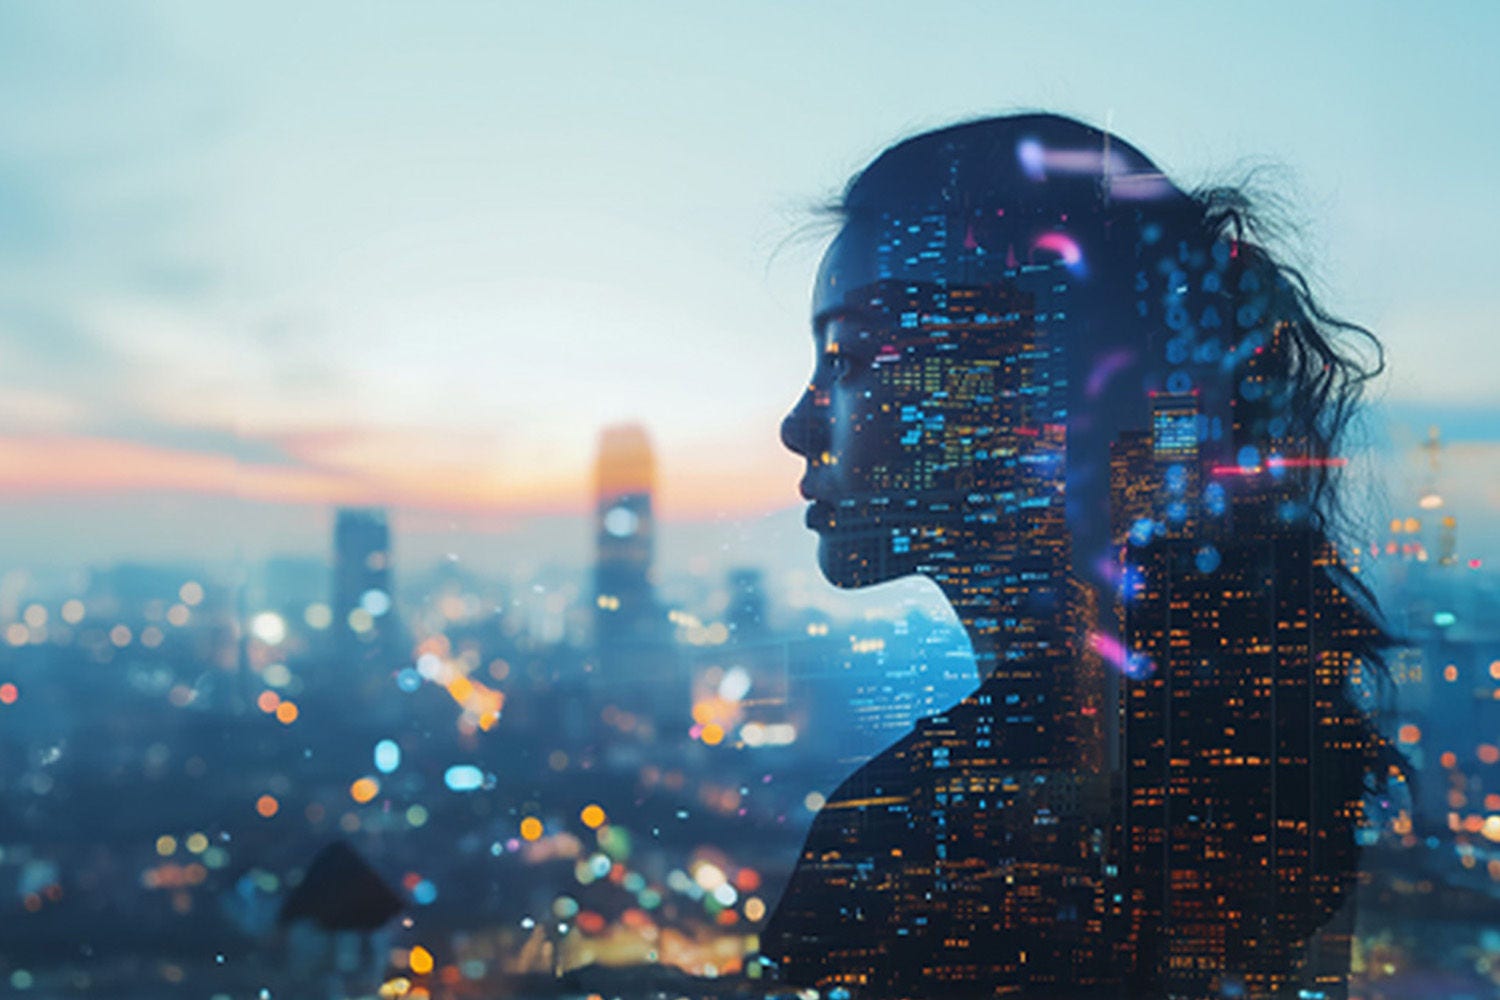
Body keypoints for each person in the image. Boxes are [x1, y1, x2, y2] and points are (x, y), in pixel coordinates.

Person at [763, 114, 1400, 999]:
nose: (798, 423)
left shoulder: (929, 835)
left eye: (851, 355)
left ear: (1027, 393)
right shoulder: (1254, 758)